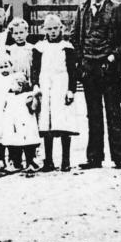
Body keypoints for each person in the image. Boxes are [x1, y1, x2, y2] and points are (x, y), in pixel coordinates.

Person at [71, 0, 121, 170]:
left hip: (109, 69)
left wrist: (114, 56)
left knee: (113, 113)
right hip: (89, 69)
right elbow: (74, 37)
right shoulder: (82, 9)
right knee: (93, 114)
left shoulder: (117, 8)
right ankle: (94, 157)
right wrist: (81, 60)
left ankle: (119, 157)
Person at [32, 14, 80, 172]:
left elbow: (72, 71)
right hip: (45, 85)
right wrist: (35, 85)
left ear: (61, 28)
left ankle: (66, 160)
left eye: (55, 28)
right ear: (44, 29)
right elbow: (35, 69)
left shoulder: (67, 47)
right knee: (47, 122)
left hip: (61, 84)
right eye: (49, 29)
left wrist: (71, 90)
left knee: (63, 122)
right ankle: (48, 161)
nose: (52, 31)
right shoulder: (39, 47)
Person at [0, 53, 40, 172]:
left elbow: (21, 93)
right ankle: (0, 160)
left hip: (11, 111)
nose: (4, 69)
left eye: (6, 66)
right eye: (1, 67)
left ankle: (15, 160)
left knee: (12, 135)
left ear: (11, 66)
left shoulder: (15, 78)